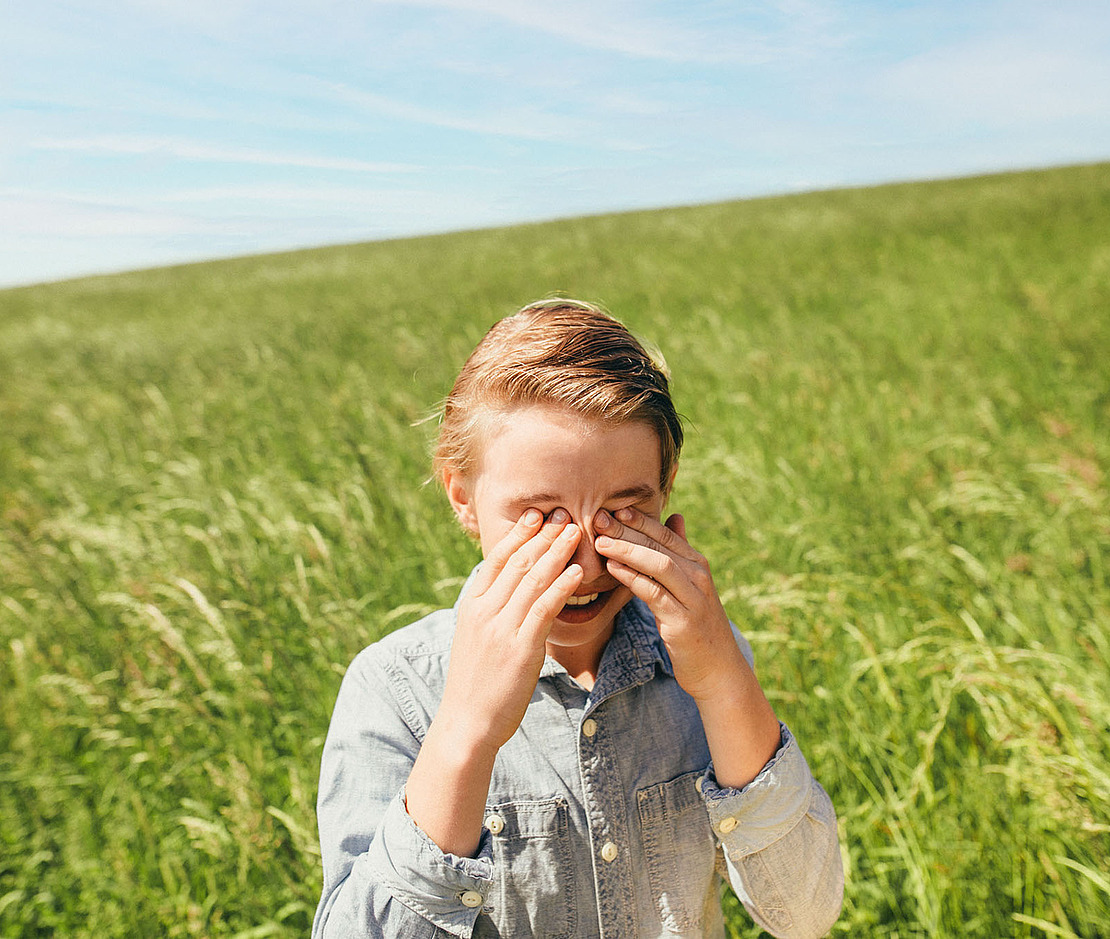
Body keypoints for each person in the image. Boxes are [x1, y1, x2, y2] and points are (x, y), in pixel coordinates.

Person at [312, 299, 844, 939]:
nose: (587, 561)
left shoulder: (705, 656)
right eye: (540, 516)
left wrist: (725, 682)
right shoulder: (395, 688)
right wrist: (465, 733)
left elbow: (806, 915)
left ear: (665, 485)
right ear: (463, 498)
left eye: (623, 509)